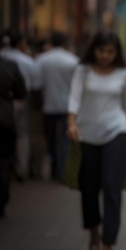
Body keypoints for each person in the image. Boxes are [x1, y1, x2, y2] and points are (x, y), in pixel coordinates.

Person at [66, 30, 126, 250]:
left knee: (111, 187)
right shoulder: (82, 71)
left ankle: (108, 243)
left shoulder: (124, 74)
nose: (105, 56)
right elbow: (74, 100)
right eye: (101, 51)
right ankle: (94, 232)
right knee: (88, 188)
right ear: (93, 50)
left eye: (110, 52)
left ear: (116, 53)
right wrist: (72, 123)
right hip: (86, 134)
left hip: (116, 132)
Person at [36, 32, 79, 180]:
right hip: (68, 106)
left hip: (48, 105)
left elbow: (37, 84)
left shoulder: (42, 60)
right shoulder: (72, 60)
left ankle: (54, 166)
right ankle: (61, 169)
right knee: (65, 139)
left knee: (50, 138)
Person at [0, 30, 41, 181]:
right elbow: (34, 85)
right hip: (21, 102)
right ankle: (21, 168)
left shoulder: (6, 59)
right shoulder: (26, 61)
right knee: (22, 135)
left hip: (9, 104)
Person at [0, 56, 26, 217]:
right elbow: (21, 92)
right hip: (4, 119)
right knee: (3, 162)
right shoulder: (9, 65)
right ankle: (1, 201)